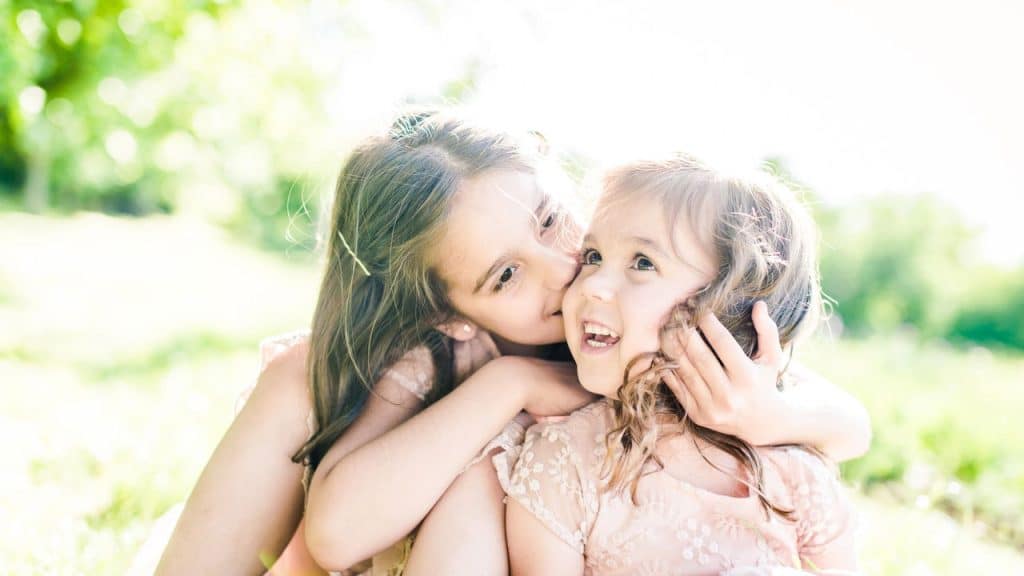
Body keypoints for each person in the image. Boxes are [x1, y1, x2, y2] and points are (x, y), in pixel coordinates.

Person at [156, 112, 869, 576]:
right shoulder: (446, 356)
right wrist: (512, 387)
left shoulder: (646, 305)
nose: (566, 272)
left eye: (554, 220)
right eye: (505, 275)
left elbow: (847, 422)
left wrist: (767, 415)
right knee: (300, 373)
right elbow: (337, 535)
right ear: (452, 314)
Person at [504, 154, 858, 575]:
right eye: (594, 256)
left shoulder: (792, 472)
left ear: (733, 306)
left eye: (642, 263)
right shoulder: (565, 460)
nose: (593, 284)